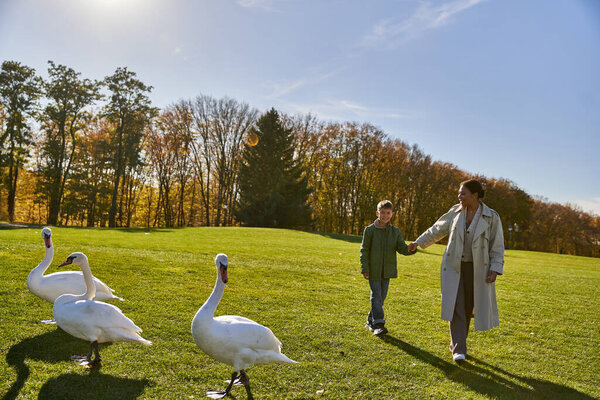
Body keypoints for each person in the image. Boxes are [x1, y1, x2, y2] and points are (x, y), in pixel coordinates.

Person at [407, 179, 504, 362]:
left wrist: (495, 268)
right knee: (456, 304)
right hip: (454, 266)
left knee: (468, 306)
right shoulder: (455, 212)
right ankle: (459, 348)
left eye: (463, 193)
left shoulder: (492, 217)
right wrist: (418, 242)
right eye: (459, 193)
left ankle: (458, 343)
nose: (459, 196)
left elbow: (497, 245)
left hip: (477, 269)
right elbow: (437, 229)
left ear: (474, 195)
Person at [360, 200, 415, 336]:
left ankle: (370, 321)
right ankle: (379, 324)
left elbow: (401, 248)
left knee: (381, 297)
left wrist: (411, 248)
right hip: (373, 270)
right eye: (382, 213)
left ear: (392, 214)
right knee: (376, 296)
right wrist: (365, 267)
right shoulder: (370, 230)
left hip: (387, 270)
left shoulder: (395, 232)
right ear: (378, 213)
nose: (385, 215)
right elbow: (364, 250)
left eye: (388, 213)